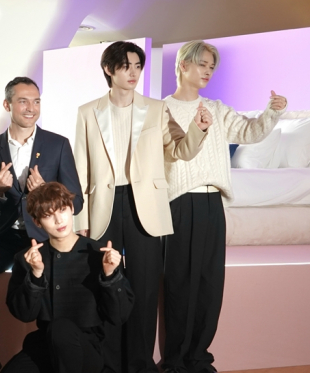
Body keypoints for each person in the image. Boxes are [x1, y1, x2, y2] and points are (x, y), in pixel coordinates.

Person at [74, 41, 211, 373]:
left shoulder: (155, 108)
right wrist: (80, 215)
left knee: (146, 287)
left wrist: (198, 129)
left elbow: (178, 150)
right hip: (102, 206)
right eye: (126, 66)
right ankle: (107, 363)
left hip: (144, 206)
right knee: (102, 282)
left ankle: (139, 364)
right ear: (109, 69)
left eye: (138, 66)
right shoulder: (87, 111)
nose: (133, 72)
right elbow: (81, 166)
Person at [161, 40, 287, 373]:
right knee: (177, 283)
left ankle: (199, 358)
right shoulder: (161, 110)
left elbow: (249, 132)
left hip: (212, 202)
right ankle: (174, 361)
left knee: (208, 283)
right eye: (202, 64)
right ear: (183, 65)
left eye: (212, 66)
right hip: (178, 202)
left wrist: (272, 111)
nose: (207, 71)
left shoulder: (217, 108)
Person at [3, 182, 134, 373]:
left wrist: (110, 275)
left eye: (62, 210)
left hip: (88, 349)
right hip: (45, 346)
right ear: (37, 222)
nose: (58, 220)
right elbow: (24, 314)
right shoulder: (29, 259)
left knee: (61, 329)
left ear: (72, 208)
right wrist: (36, 274)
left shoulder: (99, 253)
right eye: (48, 215)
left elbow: (119, 316)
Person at [0, 77, 83, 273]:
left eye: (36, 101)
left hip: (47, 236)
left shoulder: (58, 145)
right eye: (23, 101)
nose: (31, 108)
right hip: (6, 236)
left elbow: (76, 203)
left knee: (34, 278)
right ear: (6, 105)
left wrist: (46, 191)